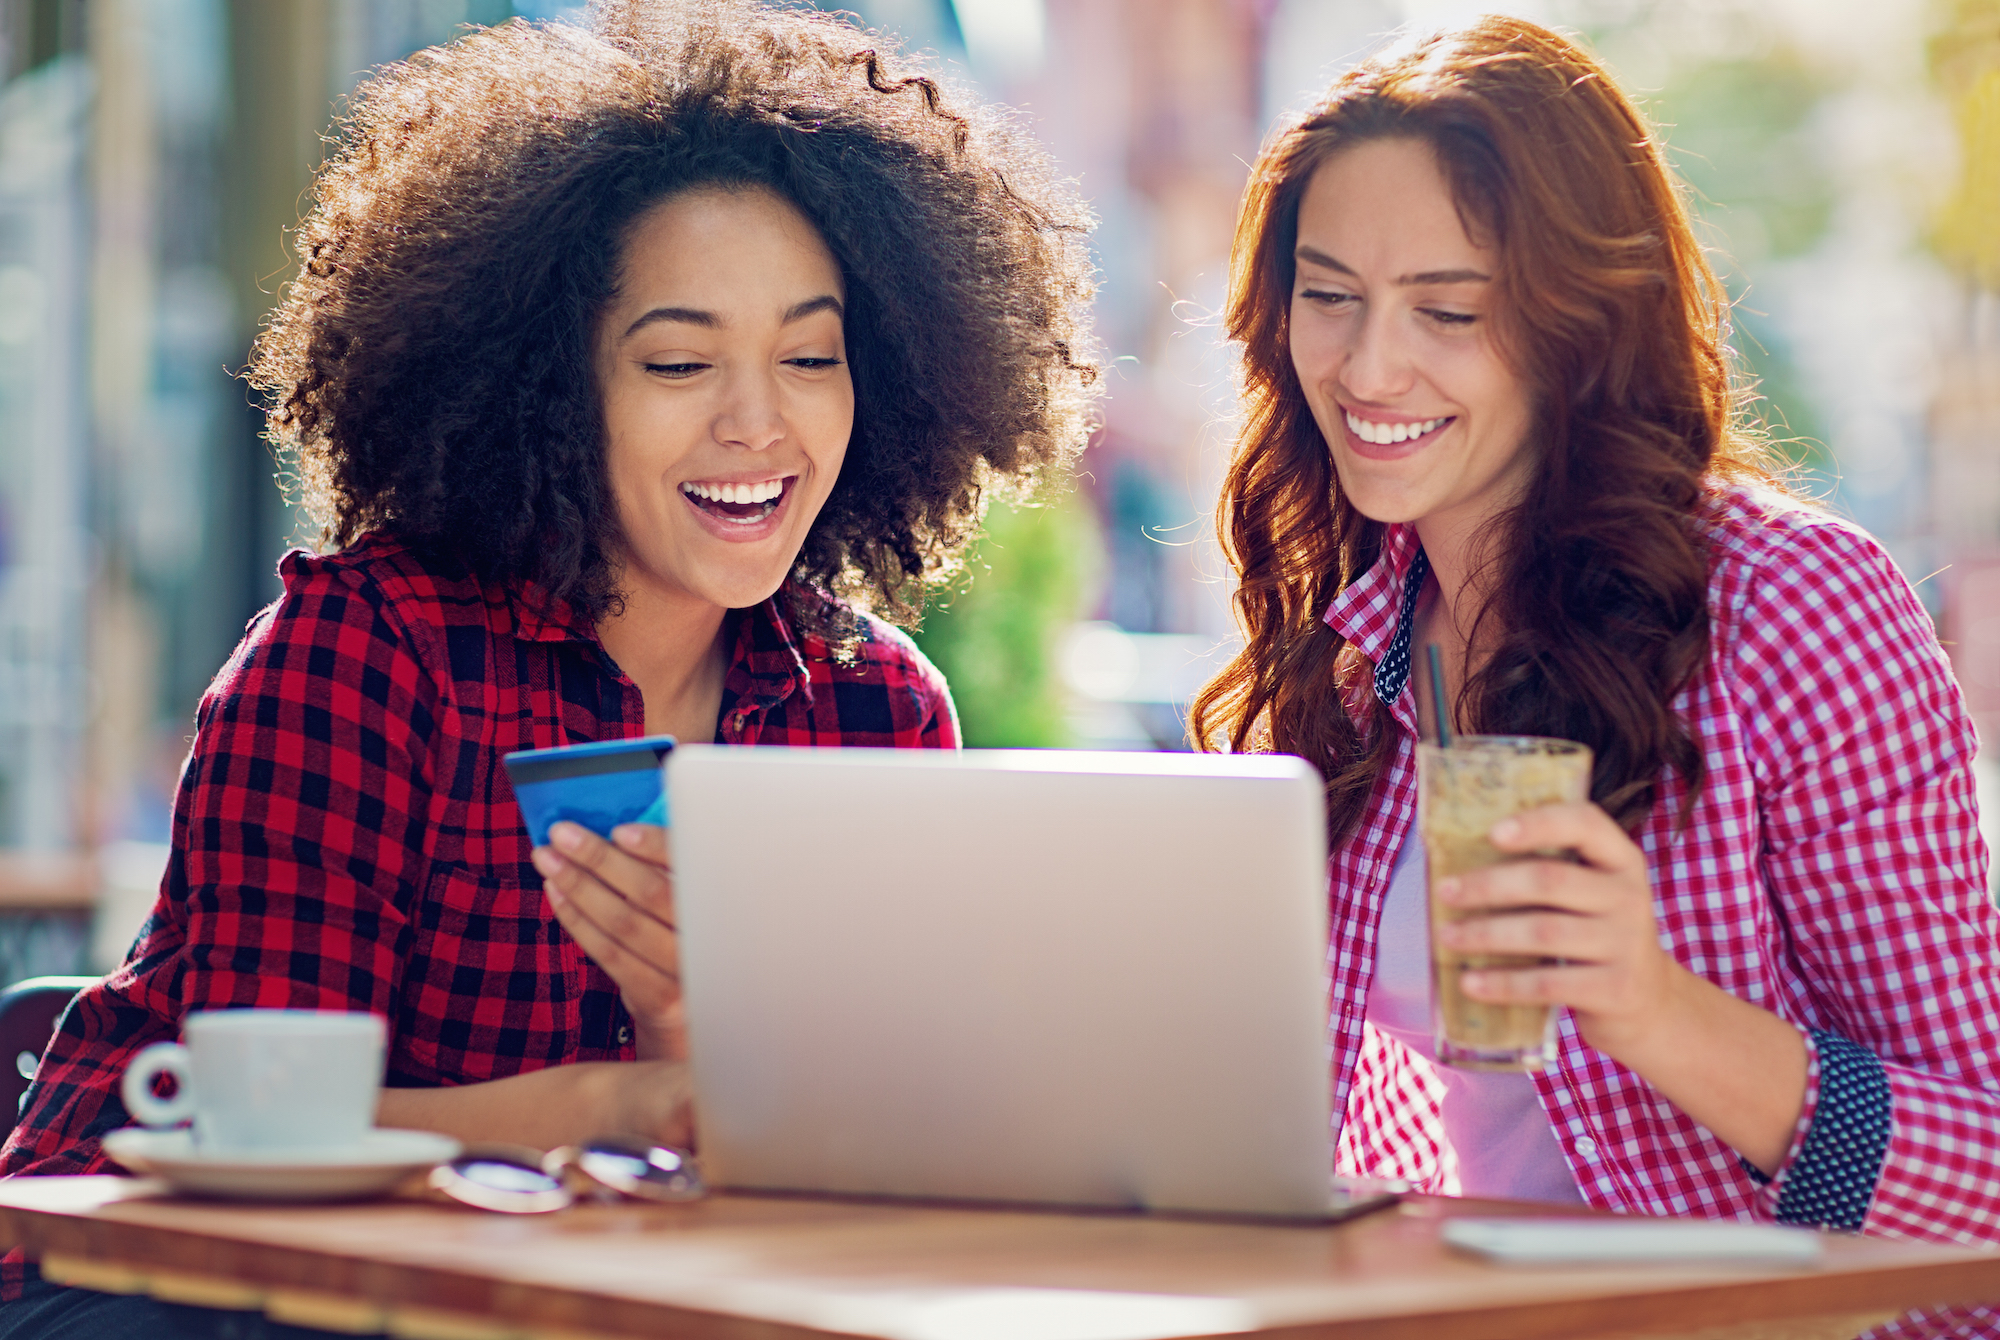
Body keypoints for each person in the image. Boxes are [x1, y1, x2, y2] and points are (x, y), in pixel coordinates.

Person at [0, 0, 1093, 1331]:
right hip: (155, 1289)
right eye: (680, 360)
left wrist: (693, 1044)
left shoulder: (870, 708)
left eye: (813, 356)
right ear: (549, 387)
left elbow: (851, 1160)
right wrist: (604, 1107)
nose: (759, 420)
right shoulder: (366, 656)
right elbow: (246, 1137)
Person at [1190, 17, 2000, 1337]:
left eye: (1448, 311)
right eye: (1329, 296)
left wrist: (1653, 1008)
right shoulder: (1347, 650)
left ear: (1580, 323)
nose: (1368, 367)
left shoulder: (1794, 610)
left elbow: (1989, 1187)